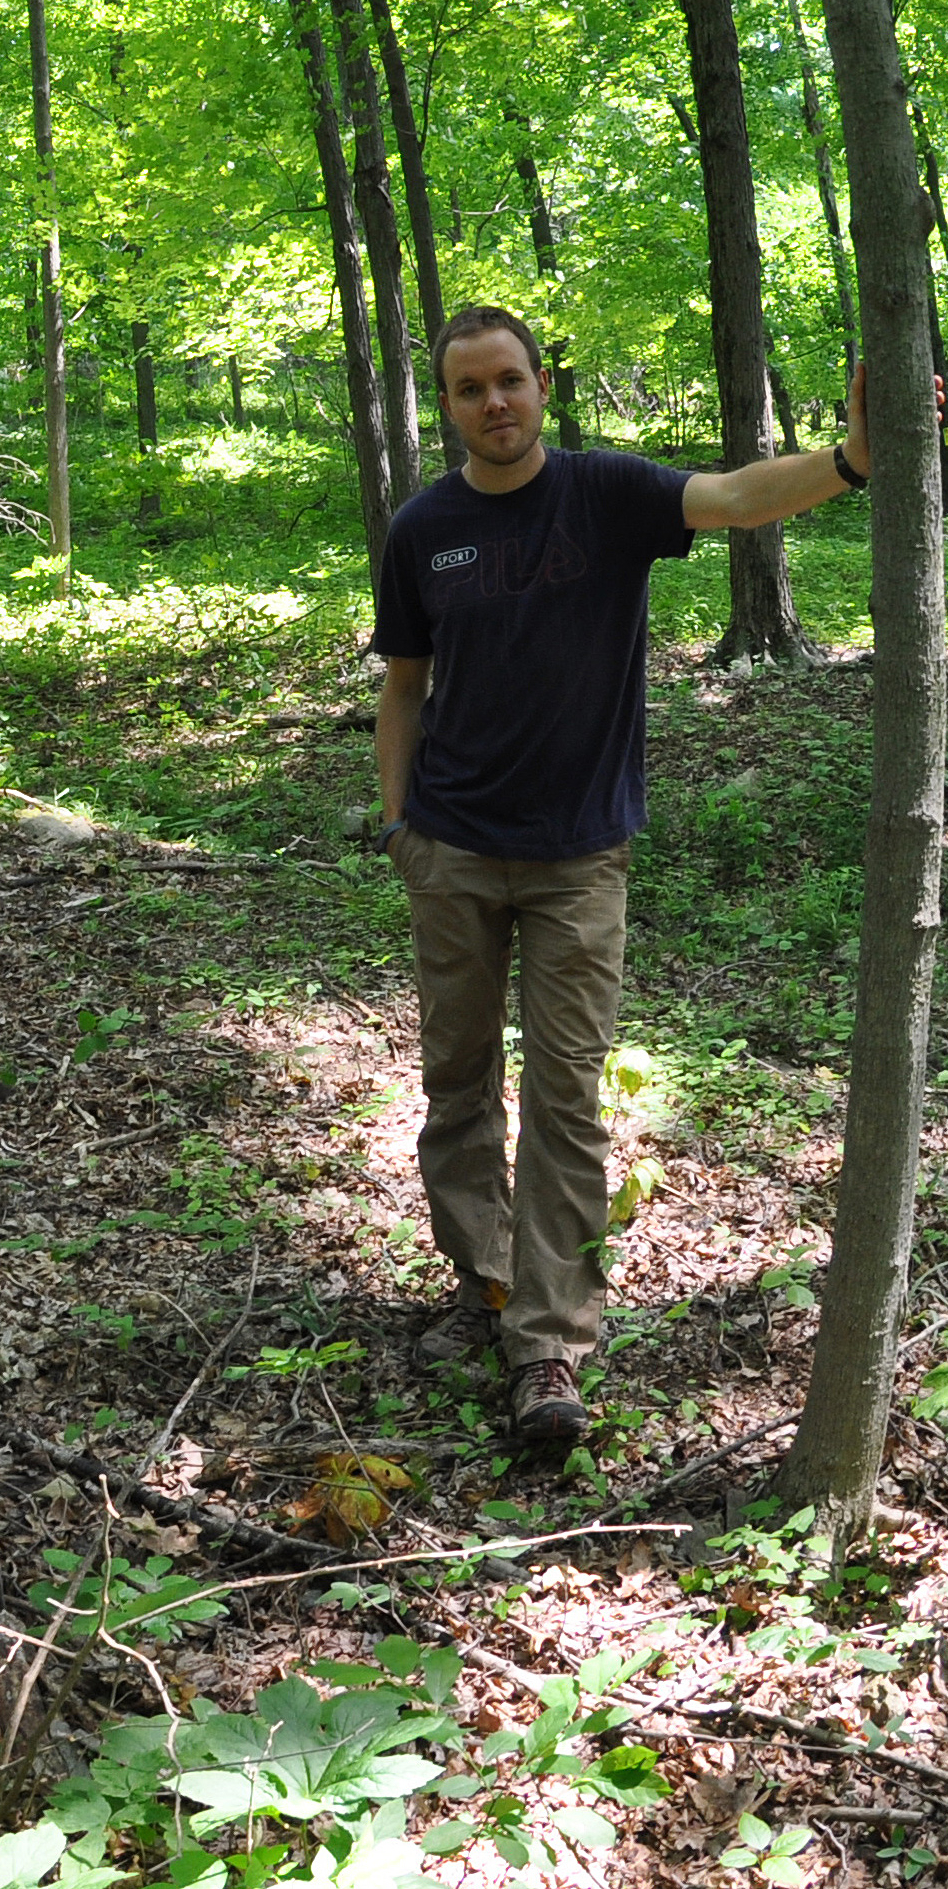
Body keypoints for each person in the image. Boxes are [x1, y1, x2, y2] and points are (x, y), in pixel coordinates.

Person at [369, 303, 919, 1444]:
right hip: (455, 848)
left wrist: (852, 461)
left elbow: (730, 497)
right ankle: (489, 1279)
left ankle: (549, 1349)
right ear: (451, 403)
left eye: (509, 380)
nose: (494, 404)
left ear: (540, 386)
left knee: (568, 1095)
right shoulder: (423, 528)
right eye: (469, 389)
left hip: (580, 855)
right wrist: (400, 826)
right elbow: (404, 687)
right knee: (457, 1080)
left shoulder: (604, 494)